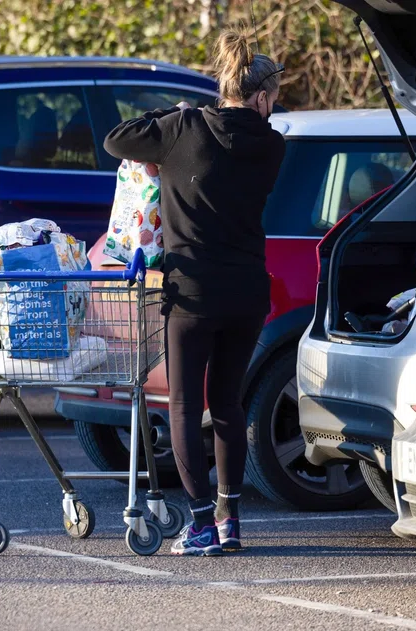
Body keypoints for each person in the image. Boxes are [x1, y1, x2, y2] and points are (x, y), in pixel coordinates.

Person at [103, 29, 285, 556]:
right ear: (260, 97)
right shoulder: (272, 145)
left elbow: (118, 138)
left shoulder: (183, 128)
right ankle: (229, 520)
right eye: (273, 98)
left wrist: (174, 110)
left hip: (191, 291)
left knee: (184, 406)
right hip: (248, 291)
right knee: (228, 404)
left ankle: (201, 521)